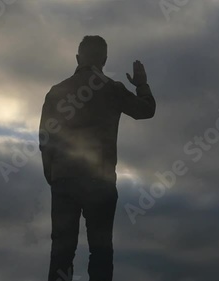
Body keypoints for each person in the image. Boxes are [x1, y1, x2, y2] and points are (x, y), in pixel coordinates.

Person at [38, 35, 156, 281]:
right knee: (101, 251)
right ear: (104, 60)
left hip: (64, 181)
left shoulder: (57, 92)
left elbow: (44, 140)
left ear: (78, 58)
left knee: (61, 252)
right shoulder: (112, 89)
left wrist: (54, 176)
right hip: (100, 181)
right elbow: (146, 110)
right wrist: (142, 84)